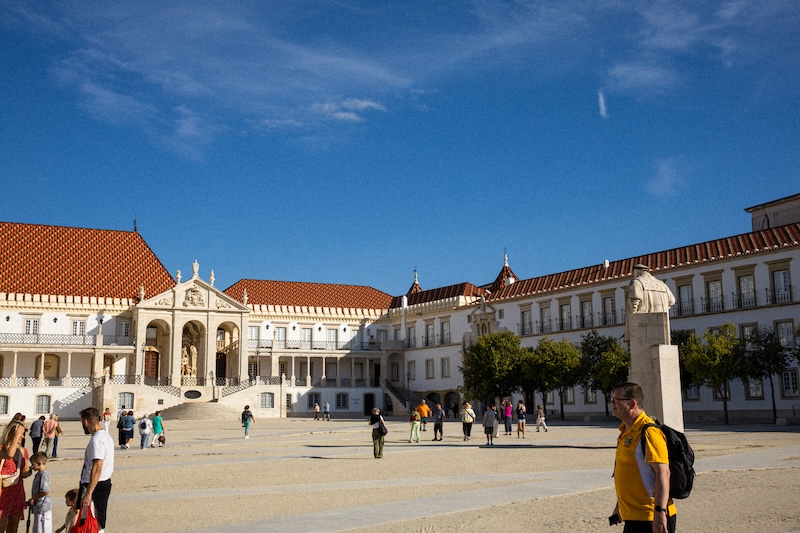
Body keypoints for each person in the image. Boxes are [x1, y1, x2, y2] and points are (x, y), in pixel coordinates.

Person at [610, 382, 676, 533]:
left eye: (616, 399)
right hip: (633, 515)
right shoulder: (626, 431)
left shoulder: (649, 432)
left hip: (650, 517)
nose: (612, 403)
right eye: (611, 399)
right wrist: (619, 506)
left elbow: (663, 473)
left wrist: (659, 512)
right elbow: (630, 473)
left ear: (632, 403)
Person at [77, 407, 114, 533]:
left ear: (86, 422)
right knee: (96, 523)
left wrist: (88, 493)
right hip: (101, 483)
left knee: (92, 522)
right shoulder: (105, 436)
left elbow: (97, 467)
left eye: (82, 422)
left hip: (95, 485)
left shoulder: (97, 440)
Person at [0, 420, 31, 533]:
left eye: (23, 434)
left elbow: (24, 471)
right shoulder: (1, 448)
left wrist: (28, 472)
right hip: (2, 493)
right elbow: (9, 454)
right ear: (12, 433)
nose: (22, 437)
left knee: (13, 528)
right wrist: (15, 437)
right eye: (20, 434)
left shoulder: (23, 451)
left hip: (17, 492)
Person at [28, 451, 51, 533]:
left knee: (42, 529)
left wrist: (34, 498)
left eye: (33, 464)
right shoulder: (39, 474)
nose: (31, 467)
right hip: (38, 507)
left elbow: (45, 491)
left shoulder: (44, 475)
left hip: (42, 507)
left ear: (39, 463)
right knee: (37, 529)